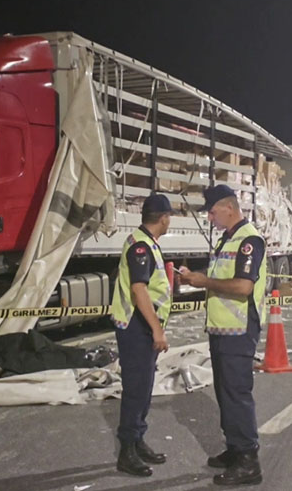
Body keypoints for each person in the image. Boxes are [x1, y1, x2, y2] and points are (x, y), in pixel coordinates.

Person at [179, 185, 266, 486]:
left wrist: (204, 281)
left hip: (238, 331)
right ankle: (235, 448)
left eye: (213, 212)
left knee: (236, 394)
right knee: (224, 393)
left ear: (229, 208)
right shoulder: (227, 239)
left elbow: (243, 286)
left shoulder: (249, 240)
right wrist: (196, 278)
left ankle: (248, 462)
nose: (210, 217)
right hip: (222, 329)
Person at [110, 194, 174, 477]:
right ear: (164, 218)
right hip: (136, 327)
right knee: (136, 389)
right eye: (169, 217)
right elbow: (139, 290)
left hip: (141, 325)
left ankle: (137, 441)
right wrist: (157, 329)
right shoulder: (141, 247)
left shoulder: (146, 242)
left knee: (144, 387)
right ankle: (127, 451)